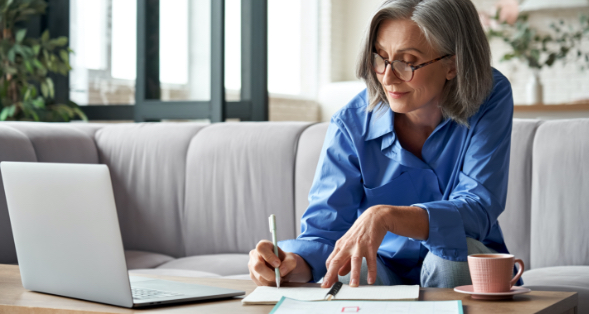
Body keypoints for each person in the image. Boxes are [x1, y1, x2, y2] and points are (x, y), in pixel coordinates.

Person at [249, 0, 518, 288]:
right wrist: (290, 264)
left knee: (448, 255)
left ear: (452, 64)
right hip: (384, 267)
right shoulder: (350, 123)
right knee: (350, 268)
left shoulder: (489, 95)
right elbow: (325, 234)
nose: (388, 77)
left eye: (407, 61)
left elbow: (477, 208)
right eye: (380, 57)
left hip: (461, 259)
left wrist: (388, 216)